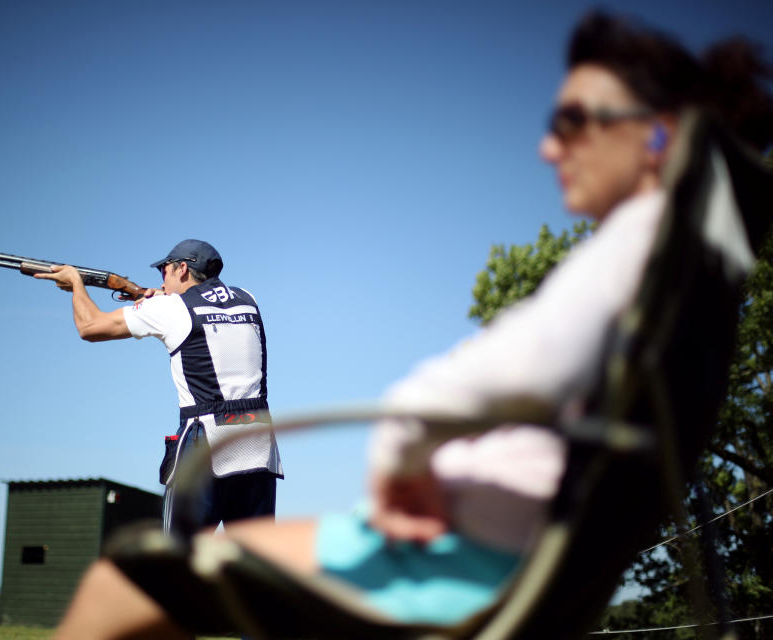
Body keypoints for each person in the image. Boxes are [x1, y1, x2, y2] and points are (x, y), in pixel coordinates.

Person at [53, 12, 772, 639]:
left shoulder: (624, 258)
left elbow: (437, 401)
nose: (549, 148)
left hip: (449, 559)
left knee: (124, 585)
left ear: (657, 135)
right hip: (520, 560)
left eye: (573, 122)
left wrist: (401, 463)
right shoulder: (696, 266)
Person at [36, 239, 283, 536]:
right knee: (255, 567)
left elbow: (90, 327)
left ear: (182, 268)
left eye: (164, 271)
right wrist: (158, 297)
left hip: (204, 447)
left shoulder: (171, 309)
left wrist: (76, 284)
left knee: (174, 567)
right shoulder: (248, 299)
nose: (161, 278)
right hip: (257, 448)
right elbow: (209, 305)